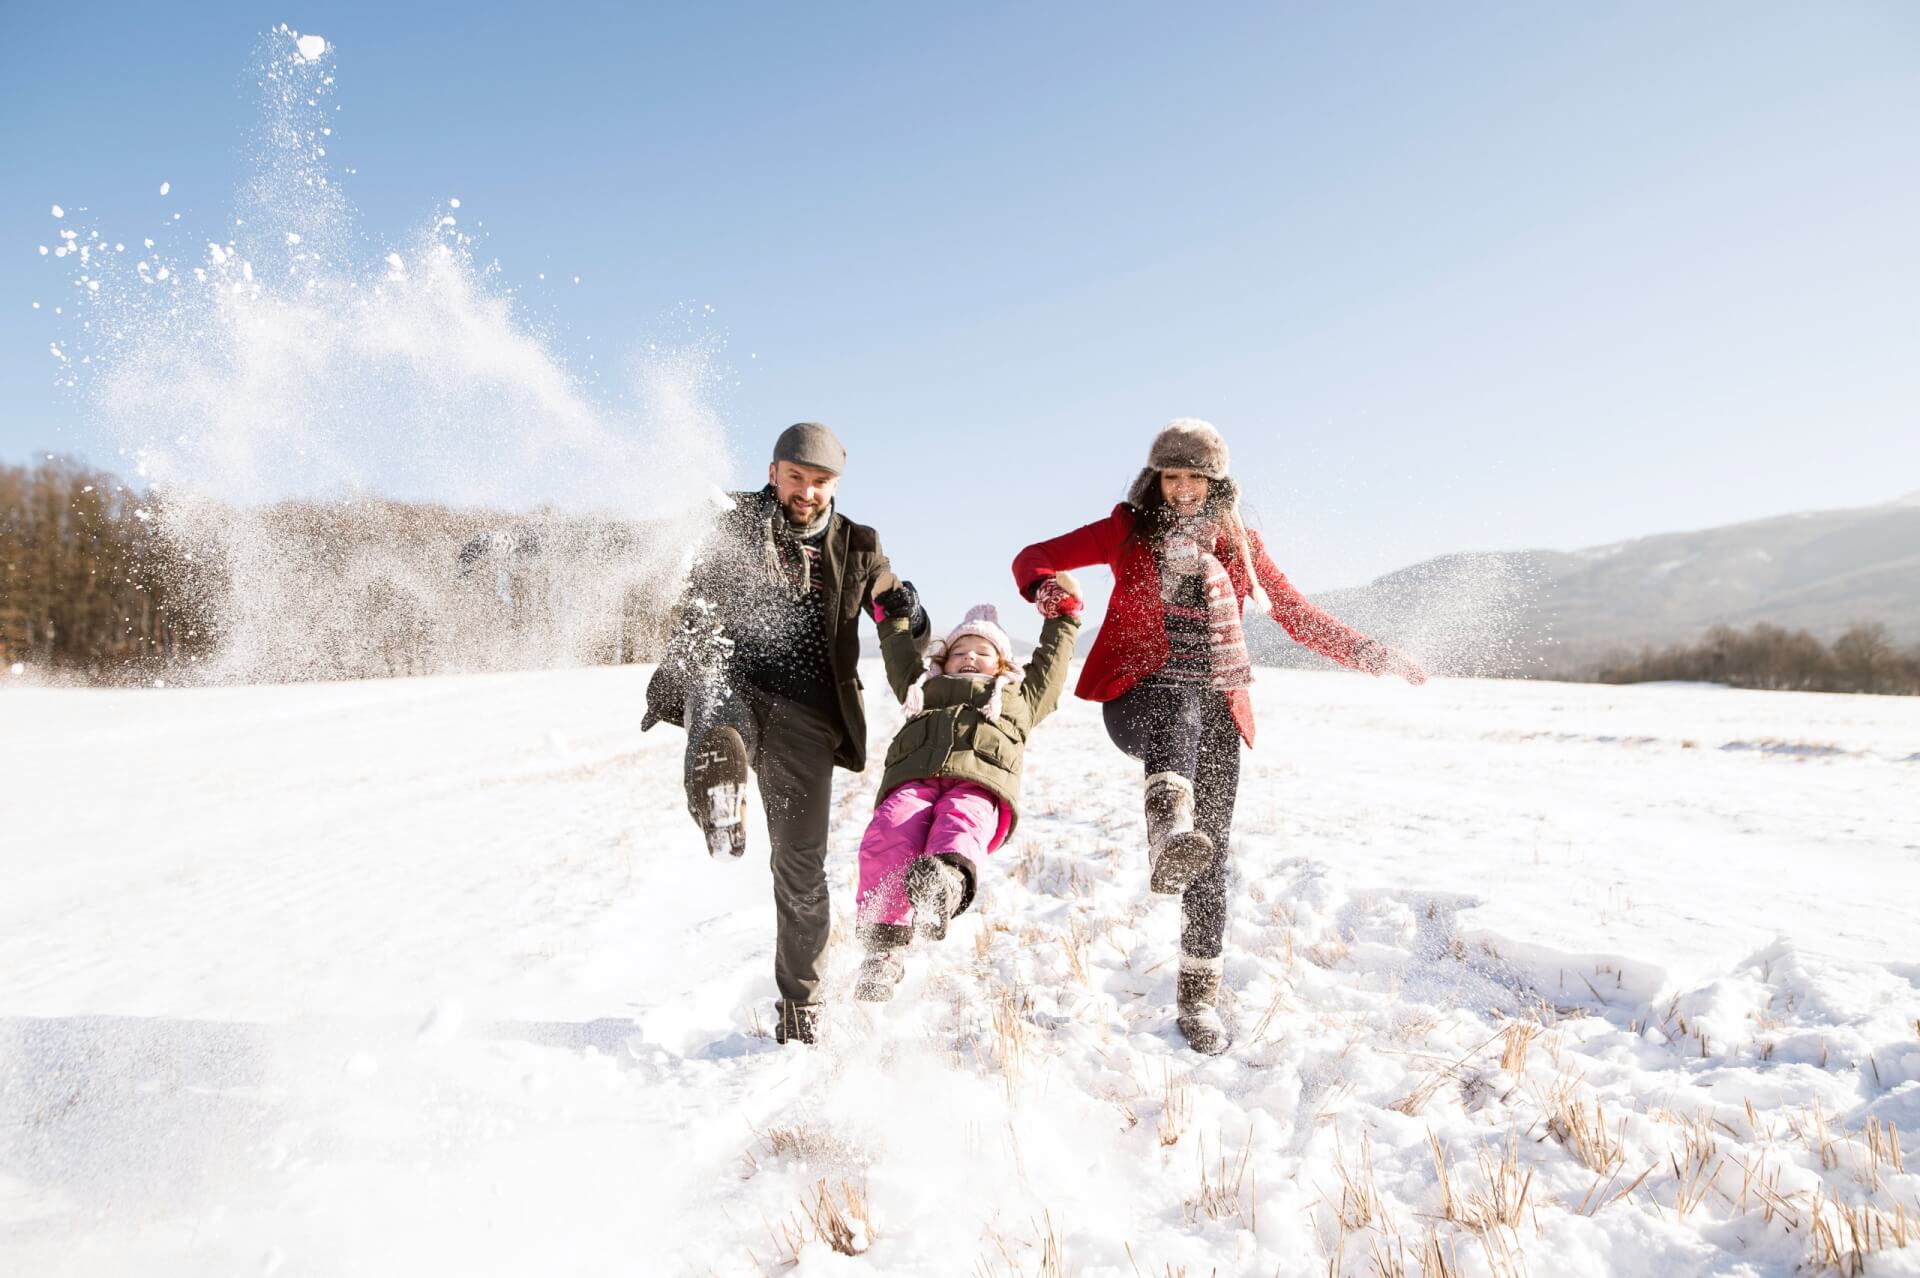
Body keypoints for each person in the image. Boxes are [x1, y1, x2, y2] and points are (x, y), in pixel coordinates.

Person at [1010, 419, 1426, 1055]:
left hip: (1219, 709)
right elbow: (1034, 556)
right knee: (1180, 700)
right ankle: (1165, 826)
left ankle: (1198, 995)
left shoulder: (1240, 544)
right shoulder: (1127, 529)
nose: (1181, 490)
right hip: (1137, 698)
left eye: (1195, 479)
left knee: (1212, 852)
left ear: (1216, 484)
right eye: (1170, 477)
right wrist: (1048, 593)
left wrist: (1376, 655)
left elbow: (1294, 614)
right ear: (1155, 479)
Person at [642, 422, 927, 1046]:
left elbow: (891, 612)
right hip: (736, 679)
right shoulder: (734, 519)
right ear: (773, 473)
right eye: (795, 477)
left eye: (820, 481)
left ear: (836, 485)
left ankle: (802, 1012)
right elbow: (665, 553)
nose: (807, 491)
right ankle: (718, 794)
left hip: (808, 716)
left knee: (800, 869)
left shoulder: (860, 546)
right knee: (714, 694)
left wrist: (909, 625)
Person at [851, 580, 1084, 1002]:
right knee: (889, 829)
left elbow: (1050, 666)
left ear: (1001, 663)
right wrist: (891, 617)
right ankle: (883, 949)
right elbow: (898, 654)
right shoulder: (923, 687)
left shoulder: (1019, 696)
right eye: (959, 651)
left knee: (960, 822)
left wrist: (1064, 616)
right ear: (944, 659)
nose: (969, 657)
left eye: (982, 651)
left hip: (978, 784)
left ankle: (945, 885)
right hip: (915, 781)